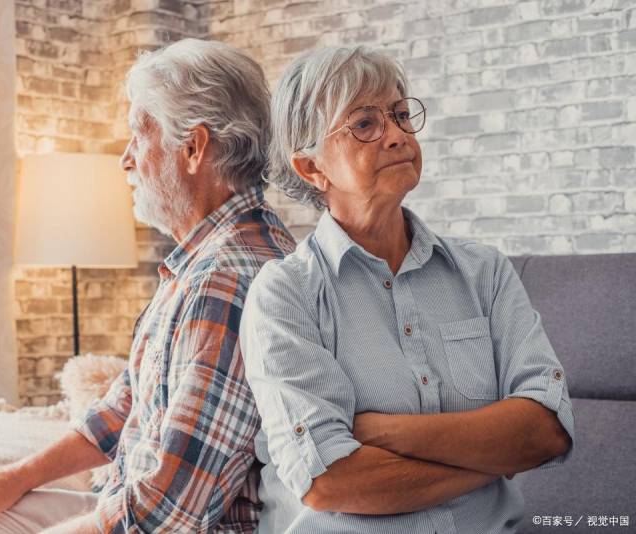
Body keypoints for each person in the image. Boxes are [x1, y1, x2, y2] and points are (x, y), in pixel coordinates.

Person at [0, 38, 295, 534]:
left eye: (138, 136)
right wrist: (17, 476)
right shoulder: (203, 260)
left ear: (193, 147)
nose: (125, 159)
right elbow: (123, 408)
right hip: (120, 505)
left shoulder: (226, 281)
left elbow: (169, 509)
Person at [239, 45, 575, 534]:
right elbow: (331, 481)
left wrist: (385, 431)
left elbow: (547, 430)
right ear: (312, 168)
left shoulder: (485, 272)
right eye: (364, 124)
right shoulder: (285, 295)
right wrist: (492, 457)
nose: (396, 136)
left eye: (400, 115)